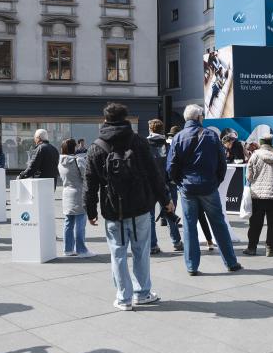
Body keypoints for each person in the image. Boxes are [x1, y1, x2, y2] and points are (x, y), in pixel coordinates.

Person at [85, 103, 174, 310]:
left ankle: (123, 298)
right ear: (126, 119)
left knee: (118, 253)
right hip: (140, 207)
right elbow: (154, 174)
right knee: (141, 251)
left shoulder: (96, 146)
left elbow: (90, 183)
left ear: (105, 120)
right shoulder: (139, 142)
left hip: (112, 210)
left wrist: (90, 210)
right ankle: (142, 293)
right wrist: (165, 199)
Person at [167, 105, 242, 276]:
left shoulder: (178, 137)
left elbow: (171, 167)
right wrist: (215, 182)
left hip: (187, 188)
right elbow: (222, 163)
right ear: (199, 117)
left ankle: (192, 266)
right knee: (219, 224)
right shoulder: (210, 135)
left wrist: (180, 183)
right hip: (208, 186)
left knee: (189, 227)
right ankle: (231, 262)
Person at [243, 134, 273, 256]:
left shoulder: (255, 156)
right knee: (272, 224)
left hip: (258, 195)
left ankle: (252, 248)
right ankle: (270, 249)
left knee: (255, 223)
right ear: (271, 143)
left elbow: (249, 176)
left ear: (261, 143)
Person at [147, 119, 183, 254]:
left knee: (150, 216)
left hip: (150, 185)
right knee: (170, 213)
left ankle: (152, 245)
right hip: (167, 184)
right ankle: (176, 242)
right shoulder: (169, 145)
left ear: (150, 129)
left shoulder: (144, 145)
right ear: (162, 130)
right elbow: (174, 164)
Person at [58, 138, 94, 257]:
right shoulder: (78, 160)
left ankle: (68, 249)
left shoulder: (60, 161)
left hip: (66, 192)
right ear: (74, 147)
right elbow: (86, 176)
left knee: (68, 223)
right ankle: (81, 250)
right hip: (78, 193)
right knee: (80, 223)